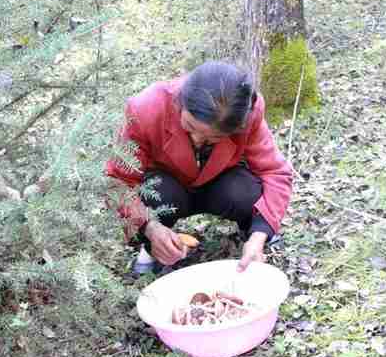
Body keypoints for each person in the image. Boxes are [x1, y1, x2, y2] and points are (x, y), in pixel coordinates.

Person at [106, 61, 293, 274]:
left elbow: (275, 172)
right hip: (168, 188)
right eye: (190, 127)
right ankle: (154, 248)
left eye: (214, 138)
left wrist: (259, 235)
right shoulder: (146, 108)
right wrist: (150, 226)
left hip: (220, 184)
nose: (196, 140)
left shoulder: (248, 112)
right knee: (158, 193)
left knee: (244, 192)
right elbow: (118, 180)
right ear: (180, 103)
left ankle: (249, 236)